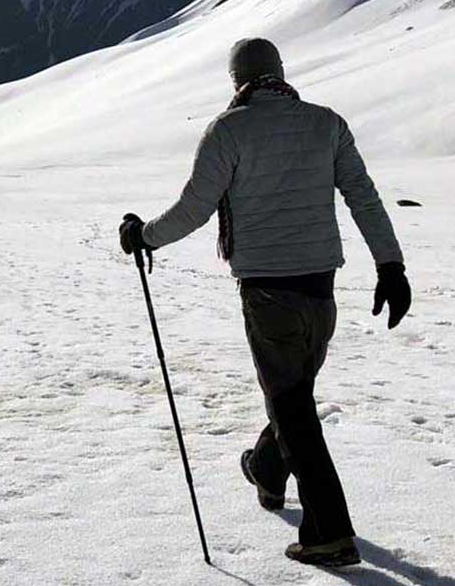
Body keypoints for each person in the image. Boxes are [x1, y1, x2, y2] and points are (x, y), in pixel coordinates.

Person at [117, 38, 411, 568]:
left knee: (292, 407)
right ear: (280, 72)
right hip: (322, 288)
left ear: (238, 82)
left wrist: (144, 237)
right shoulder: (327, 124)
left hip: (267, 289)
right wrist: (391, 266)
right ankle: (268, 471)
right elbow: (363, 197)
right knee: (293, 395)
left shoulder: (228, 130)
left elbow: (194, 209)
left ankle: (329, 531)